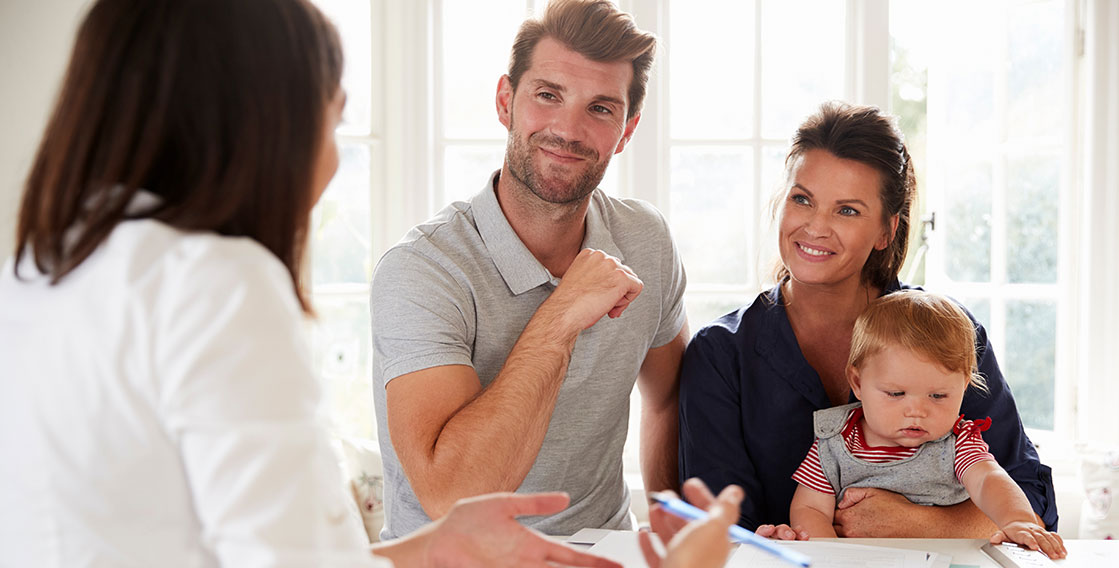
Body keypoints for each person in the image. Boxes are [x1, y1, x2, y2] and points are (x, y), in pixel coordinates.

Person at [0, 0, 727, 566]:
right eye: (332, 116)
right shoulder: (220, 284)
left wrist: (432, 548)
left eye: (600, 106)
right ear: (262, 121)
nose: (332, 155)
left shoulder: (43, 266)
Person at [370, 0, 687, 540]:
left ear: (627, 130)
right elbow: (451, 494)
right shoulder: (422, 270)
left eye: (601, 108)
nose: (568, 128)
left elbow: (670, 398)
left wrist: (666, 526)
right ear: (505, 101)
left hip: (603, 553)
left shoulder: (646, 240)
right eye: (548, 95)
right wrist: (562, 314)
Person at [678, 101, 1058, 538]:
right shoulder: (720, 355)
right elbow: (719, 528)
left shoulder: (950, 333)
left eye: (847, 210)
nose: (816, 227)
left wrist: (920, 524)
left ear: (886, 231)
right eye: (802, 199)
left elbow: (1033, 504)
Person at [783, 291, 1066, 558]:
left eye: (938, 396)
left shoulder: (958, 442)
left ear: (964, 387)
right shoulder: (836, 441)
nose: (917, 411)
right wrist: (831, 556)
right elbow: (809, 508)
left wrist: (1017, 520)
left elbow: (988, 480)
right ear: (857, 383)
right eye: (896, 394)